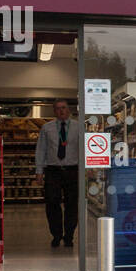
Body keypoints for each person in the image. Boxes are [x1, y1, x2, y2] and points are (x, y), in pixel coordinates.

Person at [35, 99, 80, 247]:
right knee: (52, 202)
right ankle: (56, 234)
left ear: (69, 110)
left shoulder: (79, 127)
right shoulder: (46, 128)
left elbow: (83, 149)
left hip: (73, 169)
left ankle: (69, 235)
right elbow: (41, 150)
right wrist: (39, 171)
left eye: (64, 108)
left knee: (72, 204)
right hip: (53, 170)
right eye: (58, 108)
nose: (61, 111)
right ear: (54, 111)